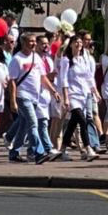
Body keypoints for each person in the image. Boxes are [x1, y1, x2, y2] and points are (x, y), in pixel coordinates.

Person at [8, 34, 58, 165]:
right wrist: (13, 100)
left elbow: (43, 77)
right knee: (33, 122)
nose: (34, 44)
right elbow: (12, 82)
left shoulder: (37, 58)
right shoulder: (17, 59)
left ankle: (14, 153)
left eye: (35, 41)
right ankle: (38, 153)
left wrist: (53, 91)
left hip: (35, 97)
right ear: (23, 42)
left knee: (24, 126)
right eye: (30, 41)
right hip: (22, 96)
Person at [56, 33, 100, 161]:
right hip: (72, 94)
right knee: (82, 120)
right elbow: (63, 79)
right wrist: (66, 98)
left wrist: (95, 92)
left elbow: (89, 78)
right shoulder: (66, 60)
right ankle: (88, 148)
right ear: (70, 44)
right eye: (76, 42)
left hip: (83, 94)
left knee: (72, 124)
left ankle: (62, 150)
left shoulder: (82, 59)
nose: (79, 44)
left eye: (80, 42)